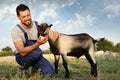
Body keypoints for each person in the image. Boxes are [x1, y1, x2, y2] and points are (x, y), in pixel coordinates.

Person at [11, 4, 57, 77]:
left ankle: (35, 69)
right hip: (22, 57)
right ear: (18, 17)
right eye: (24, 16)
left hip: (36, 55)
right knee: (38, 52)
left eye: (28, 15)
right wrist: (37, 44)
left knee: (50, 72)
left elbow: (47, 31)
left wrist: (54, 33)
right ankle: (23, 68)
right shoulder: (16, 30)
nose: (27, 18)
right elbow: (22, 51)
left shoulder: (36, 25)